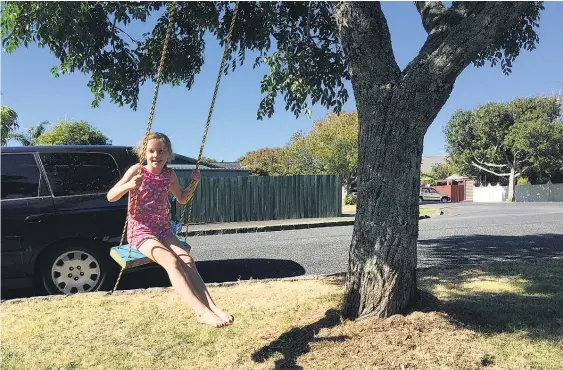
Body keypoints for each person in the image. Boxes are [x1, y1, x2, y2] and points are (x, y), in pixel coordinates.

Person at [107, 132, 233, 328]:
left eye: (161, 151)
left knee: (187, 261)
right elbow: (111, 196)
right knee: (172, 262)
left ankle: (212, 307)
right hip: (141, 231)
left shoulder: (169, 175)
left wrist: (194, 183)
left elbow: (182, 198)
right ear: (144, 153)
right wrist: (129, 185)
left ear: (169, 154)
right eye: (151, 151)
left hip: (162, 229)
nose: (156, 155)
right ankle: (201, 312)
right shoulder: (136, 170)